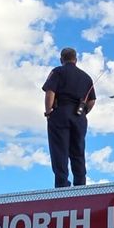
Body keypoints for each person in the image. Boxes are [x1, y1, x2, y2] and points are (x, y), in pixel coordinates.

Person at [42, 48, 96, 188]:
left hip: (60, 113)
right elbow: (92, 101)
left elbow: (50, 92)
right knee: (78, 150)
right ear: (76, 59)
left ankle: (62, 186)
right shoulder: (86, 77)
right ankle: (80, 186)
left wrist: (49, 112)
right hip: (79, 116)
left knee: (60, 150)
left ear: (61, 59)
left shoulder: (58, 72)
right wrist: (83, 112)